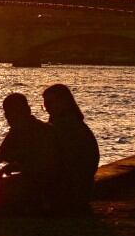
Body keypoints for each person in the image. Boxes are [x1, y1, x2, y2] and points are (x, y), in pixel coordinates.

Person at [42, 83, 100, 213]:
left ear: (63, 103)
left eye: (50, 104)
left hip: (70, 192)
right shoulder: (74, 124)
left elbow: (53, 160)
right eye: (45, 106)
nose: (48, 109)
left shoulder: (66, 128)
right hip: (81, 190)